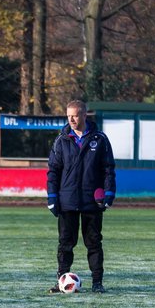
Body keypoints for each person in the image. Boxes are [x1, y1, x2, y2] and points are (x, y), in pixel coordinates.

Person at [46, 100, 115, 293]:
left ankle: (97, 283)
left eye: (75, 115)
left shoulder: (100, 139)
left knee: (93, 243)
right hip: (67, 202)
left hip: (92, 202)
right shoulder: (61, 140)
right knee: (65, 244)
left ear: (84, 115)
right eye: (68, 116)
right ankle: (61, 281)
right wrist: (52, 197)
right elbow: (53, 171)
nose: (71, 119)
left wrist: (109, 193)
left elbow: (108, 169)